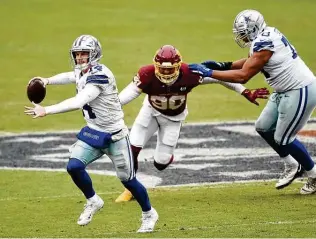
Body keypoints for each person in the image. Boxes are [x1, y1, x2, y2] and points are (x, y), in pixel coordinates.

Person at [24, 34, 158, 233]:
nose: (79, 58)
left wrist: (47, 110)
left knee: (128, 180)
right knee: (74, 166)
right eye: (77, 54)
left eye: (84, 54)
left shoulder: (100, 76)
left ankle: (149, 214)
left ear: (94, 54)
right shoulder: (83, 71)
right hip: (94, 133)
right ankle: (93, 200)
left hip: (115, 135)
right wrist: (47, 80)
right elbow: (71, 76)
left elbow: (79, 101)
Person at [115, 44, 270, 202]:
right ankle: (130, 189)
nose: (166, 72)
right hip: (150, 113)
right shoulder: (146, 74)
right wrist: (108, 107)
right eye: (162, 68)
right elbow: (126, 95)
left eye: (170, 69)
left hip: (173, 119)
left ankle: (167, 157)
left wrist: (244, 91)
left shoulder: (190, 73)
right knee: (132, 148)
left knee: (161, 163)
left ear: (178, 66)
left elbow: (220, 78)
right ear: (155, 66)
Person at [189, 9, 316, 194]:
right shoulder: (264, 36)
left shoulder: (264, 43)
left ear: (252, 28)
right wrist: (223, 65)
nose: (240, 36)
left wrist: (209, 72)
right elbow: (250, 60)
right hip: (284, 90)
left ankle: (313, 174)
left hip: (300, 89)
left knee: (283, 139)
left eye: (242, 32)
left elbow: (243, 76)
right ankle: (292, 164)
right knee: (263, 127)